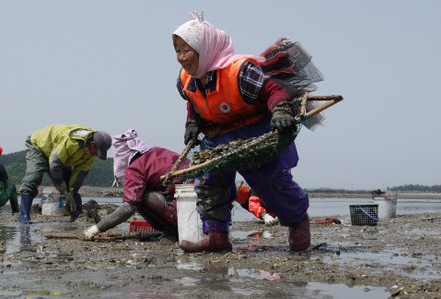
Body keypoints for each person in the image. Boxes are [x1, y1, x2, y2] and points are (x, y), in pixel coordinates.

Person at [172, 13, 310, 252]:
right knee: (209, 182)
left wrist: (280, 111)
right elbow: (194, 103)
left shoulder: (240, 72)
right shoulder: (186, 80)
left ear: (205, 48)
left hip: (254, 132)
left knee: (269, 180)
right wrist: (192, 124)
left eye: (187, 50)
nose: (182, 57)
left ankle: (298, 222)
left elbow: (272, 90)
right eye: (178, 50)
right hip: (218, 135)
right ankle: (217, 235)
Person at [82, 129, 187, 240]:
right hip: (196, 208)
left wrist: (98, 228)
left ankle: (172, 233)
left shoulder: (136, 168)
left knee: (138, 199)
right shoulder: (156, 151)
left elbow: (129, 207)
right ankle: (176, 231)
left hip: (185, 211)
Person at [18, 124, 112, 224]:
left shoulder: (90, 154)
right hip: (40, 147)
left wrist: (71, 192)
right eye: (97, 152)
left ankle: (77, 217)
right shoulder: (73, 142)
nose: (97, 155)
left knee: (70, 186)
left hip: (61, 157)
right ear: (92, 144)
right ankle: (24, 215)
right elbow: (55, 164)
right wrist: (59, 182)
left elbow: (79, 174)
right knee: (34, 177)